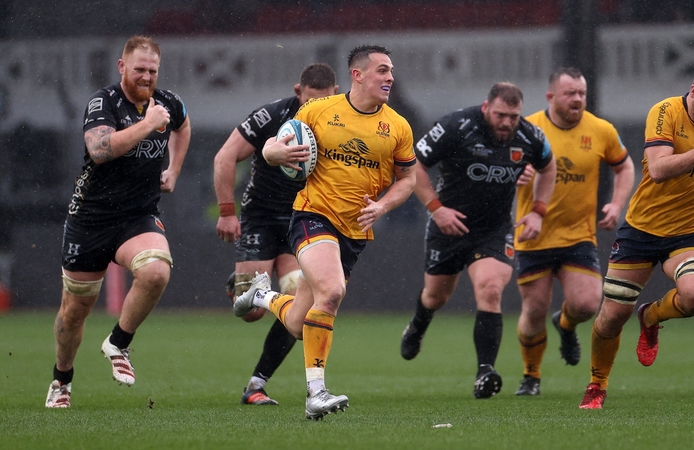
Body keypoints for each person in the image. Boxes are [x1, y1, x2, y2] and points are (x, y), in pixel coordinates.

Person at [232, 45, 417, 420]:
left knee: (301, 323)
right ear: (358, 74)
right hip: (312, 216)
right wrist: (275, 155)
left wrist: (383, 206)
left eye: (391, 71)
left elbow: (409, 178)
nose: (390, 77)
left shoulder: (397, 126)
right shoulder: (318, 111)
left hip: (354, 231)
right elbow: (270, 147)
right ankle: (316, 393)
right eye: (382, 70)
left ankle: (262, 294)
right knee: (332, 291)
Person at [579, 64, 694, 409]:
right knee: (611, 318)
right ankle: (597, 384)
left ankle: (651, 316)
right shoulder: (665, 112)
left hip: (691, 231)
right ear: (693, 91)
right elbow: (660, 169)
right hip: (642, 229)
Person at [46, 36, 191, 408]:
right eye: (139, 69)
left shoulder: (168, 102)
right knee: (73, 312)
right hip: (90, 219)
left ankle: (119, 342)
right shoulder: (103, 102)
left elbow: (183, 126)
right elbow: (99, 150)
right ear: (121, 66)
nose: (146, 77)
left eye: (153, 71)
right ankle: (62, 379)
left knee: (157, 272)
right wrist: (148, 124)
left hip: (137, 217)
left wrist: (173, 169)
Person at [399, 82, 557, 399]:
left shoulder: (530, 136)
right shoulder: (456, 126)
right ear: (486, 108)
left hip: (494, 229)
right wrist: (436, 209)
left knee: (490, 288)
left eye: (513, 116)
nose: (507, 123)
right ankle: (418, 324)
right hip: (449, 224)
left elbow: (548, 165)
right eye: (500, 115)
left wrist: (539, 211)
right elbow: (412, 163)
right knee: (436, 296)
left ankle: (485, 371)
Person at [213, 63, 338, 406]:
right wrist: (226, 212)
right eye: (308, 102)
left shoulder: (340, 120)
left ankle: (256, 383)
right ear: (298, 93)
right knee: (250, 313)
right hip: (262, 217)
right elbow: (225, 157)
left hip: (306, 218)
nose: (314, 111)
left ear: (336, 95)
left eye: (323, 103)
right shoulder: (271, 116)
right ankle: (240, 284)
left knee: (302, 306)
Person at [512, 67, 634, 396]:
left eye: (581, 93)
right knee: (534, 309)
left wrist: (616, 203)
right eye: (571, 94)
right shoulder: (528, 128)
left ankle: (565, 324)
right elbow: (504, 165)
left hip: (578, 235)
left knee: (586, 304)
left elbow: (624, 166)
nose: (578, 99)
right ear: (551, 97)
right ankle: (531, 375)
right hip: (533, 234)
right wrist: (516, 174)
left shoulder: (601, 130)